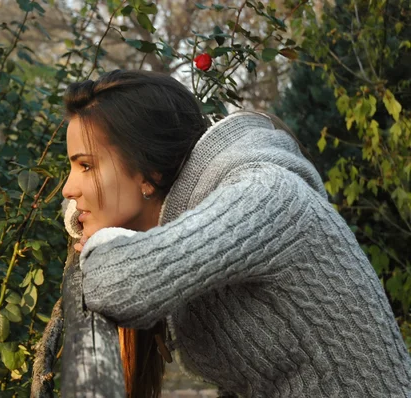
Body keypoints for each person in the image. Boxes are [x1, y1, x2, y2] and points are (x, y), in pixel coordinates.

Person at [60, 69, 411, 398]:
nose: (68, 189)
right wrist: (84, 220)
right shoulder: (191, 209)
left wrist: (104, 240)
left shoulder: (260, 196)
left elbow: (117, 285)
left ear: (148, 174)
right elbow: (79, 212)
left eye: (86, 166)